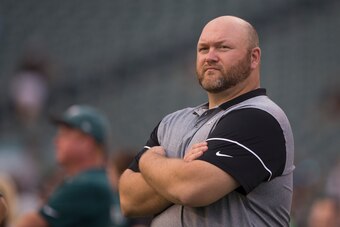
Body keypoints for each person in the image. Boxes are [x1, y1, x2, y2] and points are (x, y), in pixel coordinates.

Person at [119, 15, 294, 227]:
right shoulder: (172, 122)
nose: (210, 57)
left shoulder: (261, 118)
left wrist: (149, 162)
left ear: (254, 58)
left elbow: (191, 189)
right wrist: (181, 169)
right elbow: (128, 199)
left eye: (223, 47)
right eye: (203, 49)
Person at [15, 105, 113, 227]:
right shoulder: (97, 179)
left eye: (64, 134)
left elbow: (32, 223)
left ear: (85, 142)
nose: (55, 141)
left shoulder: (87, 184)